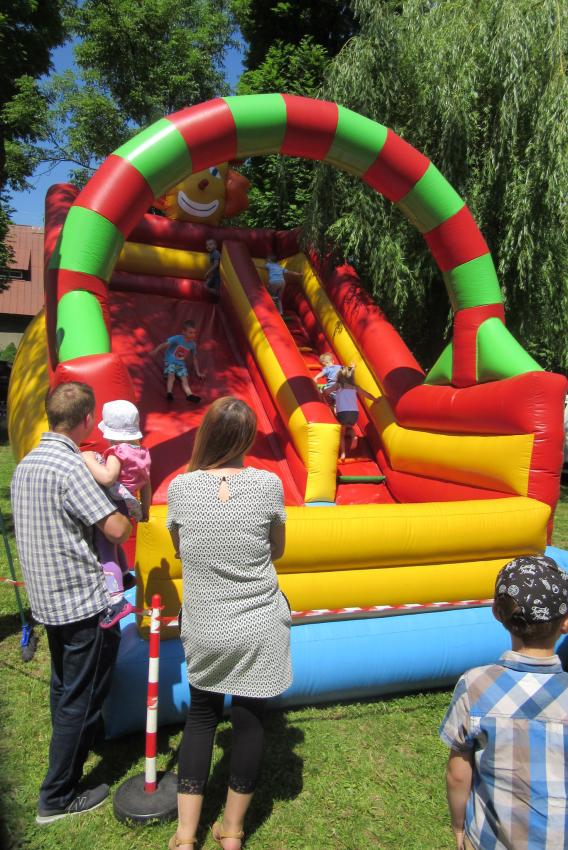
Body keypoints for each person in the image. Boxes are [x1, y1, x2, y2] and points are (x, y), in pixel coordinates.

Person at [166, 396, 292, 850]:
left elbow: (180, 549)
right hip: (259, 623)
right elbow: (277, 550)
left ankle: (186, 835)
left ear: (206, 434)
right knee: (250, 719)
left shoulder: (181, 488)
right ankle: (232, 831)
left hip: (206, 624)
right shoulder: (269, 484)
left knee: (201, 717)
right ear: (249, 437)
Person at [10, 381, 131, 824]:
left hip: (47, 598)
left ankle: (79, 740)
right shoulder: (71, 466)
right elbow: (115, 529)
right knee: (82, 692)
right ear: (87, 420)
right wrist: (125, 505)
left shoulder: (27, 463)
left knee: (65, 686)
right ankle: (57, 796)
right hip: (80, 600)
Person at [439, 554, 568, 850]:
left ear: (497, 612)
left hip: (490, 841)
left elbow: (458, 774)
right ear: (565, 622)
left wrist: (459, 826)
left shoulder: (475, 686)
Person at [83, 399, 152, 629]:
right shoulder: (142, 452)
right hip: (128, 505)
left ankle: (116, 599)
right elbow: (146, 484)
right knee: (115, 544)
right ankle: (125, 574)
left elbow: (108, 478)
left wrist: (89, 459)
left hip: (112, 505)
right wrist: (145, 509)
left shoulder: (116, 452)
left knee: (106, 551)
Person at [325, 365, 378, 461]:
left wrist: (321, 396)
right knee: (349, 427)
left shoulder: (338, 385)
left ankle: (343, 453)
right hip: (354, 413)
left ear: (339, 376)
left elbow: (326, 392)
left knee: (341, 433)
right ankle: (354, 437)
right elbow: (366, 394)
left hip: (343, 413)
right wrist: (375, 399)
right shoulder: (355, 387)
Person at [151, 319, 204, 403]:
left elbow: (194, 358)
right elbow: (164, 344)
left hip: (180, 363)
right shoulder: (177, 338)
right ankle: (169, 393)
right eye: (190, 332)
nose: (193, 335)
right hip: (170, 361)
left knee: (184, 379)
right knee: (171, 376)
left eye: (194, 333)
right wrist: (156, 350)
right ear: (184, 332)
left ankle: (190, 395)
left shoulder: (192, 344)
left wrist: (198, 372)